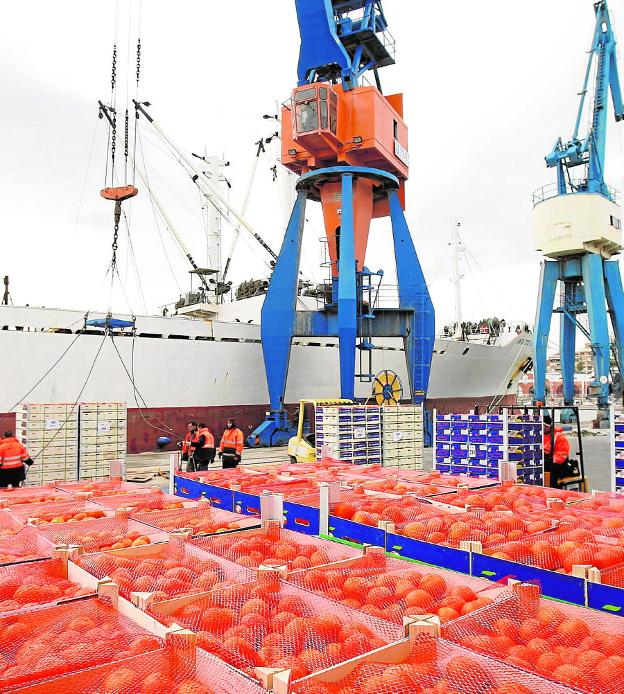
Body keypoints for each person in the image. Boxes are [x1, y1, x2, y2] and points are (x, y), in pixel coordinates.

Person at [543, 415, 571, 488]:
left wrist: (551, 459)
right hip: (547, 461)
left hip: (559, 464)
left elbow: (563, 455)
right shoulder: (540, 436)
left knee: (550, 471)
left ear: (549, 426)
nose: (543, 428)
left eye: (545, 426)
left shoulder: (559, 437)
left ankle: (554, 489)